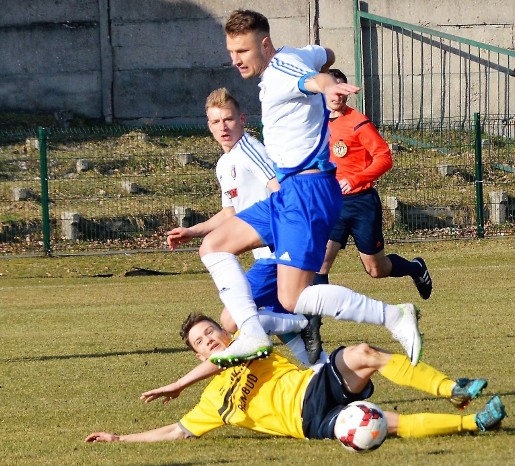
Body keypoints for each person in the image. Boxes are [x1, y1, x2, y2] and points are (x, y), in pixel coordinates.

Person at [196, 9, 423, 369]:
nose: (235, 59)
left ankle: (394, 316)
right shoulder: (295, 55)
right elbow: (325, 55)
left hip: (308, 189)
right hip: (291, 191)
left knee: (293, 297)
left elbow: (310, 79)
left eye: (242, 51)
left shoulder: (285, 70)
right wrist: (323, 69)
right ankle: (254, 333)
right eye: (231, 52)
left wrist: (326, 85)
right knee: (213, 246)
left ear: (265, 44)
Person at [84, 312, 506, 444]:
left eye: (211, 331)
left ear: (227, 333)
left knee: (363, 353)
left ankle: (454, 388)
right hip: (310, 423)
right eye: (200, 340)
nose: (209, 340)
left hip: (313, 387)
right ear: (196, 352)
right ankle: (476, 422)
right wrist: (121, 439)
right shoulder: (212, 402)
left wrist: (180, 382)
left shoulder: (252, 345)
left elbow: (230, 358)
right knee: (382, 422)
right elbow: (176, 431)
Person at [164, 87, 325, 366]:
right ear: (209, 126)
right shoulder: (224, 163)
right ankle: (328, 377)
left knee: (231, 318)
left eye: (228, 119)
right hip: (266, 253)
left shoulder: (250, 149)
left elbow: (281, 191)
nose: (223, 127)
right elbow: (230, 213)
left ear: (242, 119)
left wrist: (288, 237)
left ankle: (302, 321)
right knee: (287, 334)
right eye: (216, 122)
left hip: (278, 253)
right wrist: (192, 231)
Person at [314, 68, 433, 301]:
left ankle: (415, 268)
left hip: (361, 203)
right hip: (330, 203)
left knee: (375, 269)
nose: (337, 96)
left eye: (342, 91)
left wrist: (356, 179)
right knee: (320, 262)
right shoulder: (314, 122)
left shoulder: (358, 122)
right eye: (333, 90)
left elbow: (384, 157)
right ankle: (313, 333)